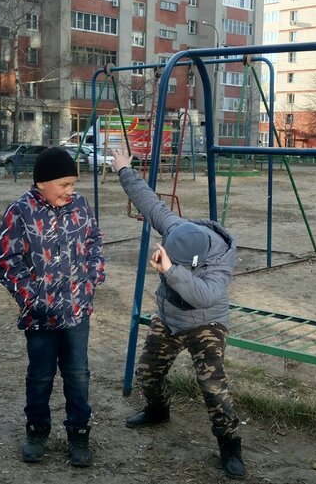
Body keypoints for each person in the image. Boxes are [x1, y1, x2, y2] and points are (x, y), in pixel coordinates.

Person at [110, 147, 247, 480]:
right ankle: (158, 410)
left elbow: (204, 296)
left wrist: (170, 270)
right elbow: (148, 201)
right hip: (170, 317)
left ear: (195, 262)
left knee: (212, 384)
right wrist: (124, 170)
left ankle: (230, 443)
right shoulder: (177, 228)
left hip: (207, 322)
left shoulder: (218, 265)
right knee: (147, 372)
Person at [0, 147, 106, 467]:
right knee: (40, 375)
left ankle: (79, 433)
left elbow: (95, 242)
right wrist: (33, 299)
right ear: (42, 183)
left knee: (78, 374)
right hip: (40, 317)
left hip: (76, 312)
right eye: (64, 184)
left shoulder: (80, 206)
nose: (71, 191)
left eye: (73, 184)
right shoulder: (20, 212)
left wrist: (92, 277)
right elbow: (6, 261)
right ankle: (37, 429)